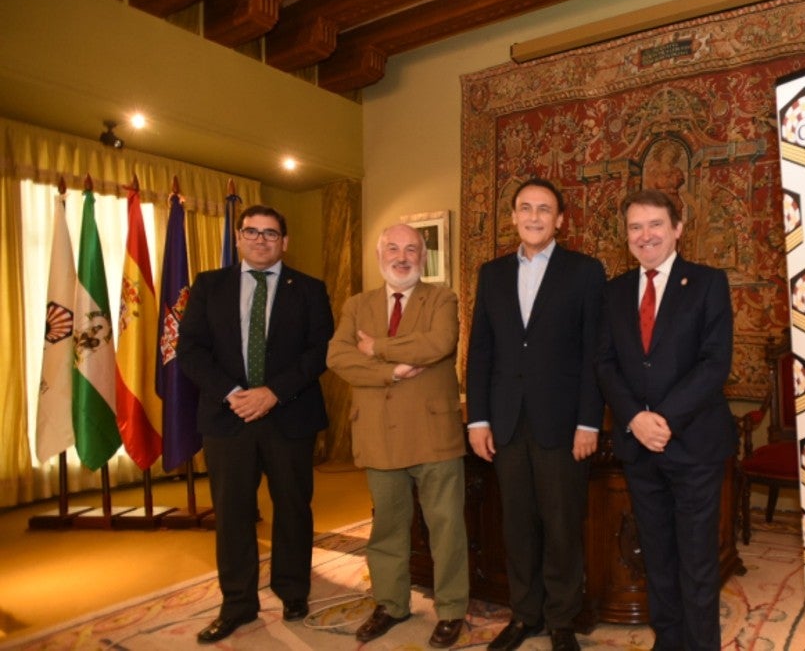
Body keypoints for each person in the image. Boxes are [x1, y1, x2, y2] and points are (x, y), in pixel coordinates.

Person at [178, 205, 333, 644]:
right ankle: (238, 604)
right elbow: (189, 349)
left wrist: (273, 393)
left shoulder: (309, 289)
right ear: (239, 237)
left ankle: (293, 590)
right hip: (228, 418)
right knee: (231, 514)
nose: (261, 239)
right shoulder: (209, 285)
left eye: (270, 233)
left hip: (290, 414)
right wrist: (234, 393)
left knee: (293, 509)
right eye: (252, 231)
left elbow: (319, 351)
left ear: (284, 241)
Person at [466, 178, 606, 651]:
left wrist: (590, 421)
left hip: (563, 425)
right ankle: (525, 615)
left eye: (544, 209)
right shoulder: (492, 273)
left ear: (560, 219)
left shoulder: (586, 272)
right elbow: (480, 351)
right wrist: (477, 419)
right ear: (512, 217)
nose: (533, 216)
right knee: (517, 524)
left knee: (562, 524)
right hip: (505, 422)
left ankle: (562, 620)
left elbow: (594, 353)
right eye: (525, 208)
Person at [596, 188, 736, 651]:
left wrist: (662, 419)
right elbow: (606, 364)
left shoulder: (708, 282)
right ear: (626, 236)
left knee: (697, 562)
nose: (645, 234)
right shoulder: (614, 292)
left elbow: (714, 364)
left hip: (693, 444)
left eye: (655, 224)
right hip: (639, 448)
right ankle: (668, 641)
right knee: (656, 555)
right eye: (635, 227)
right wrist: (635, 418)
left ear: (677, 228)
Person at [325, 224, 469, 647]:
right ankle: (391, 603)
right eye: (393, 248)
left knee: (445, 527)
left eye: (411, 249)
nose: (401, 256)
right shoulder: (357, 304)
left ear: (423, 257)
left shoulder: (442, 298)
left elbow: (439, 343)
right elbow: (337, 355)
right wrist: (391, 371)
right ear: (379, 255)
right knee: (386, 527)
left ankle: (451, 609)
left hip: (433, 433)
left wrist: (378, 349)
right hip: (378, 434)